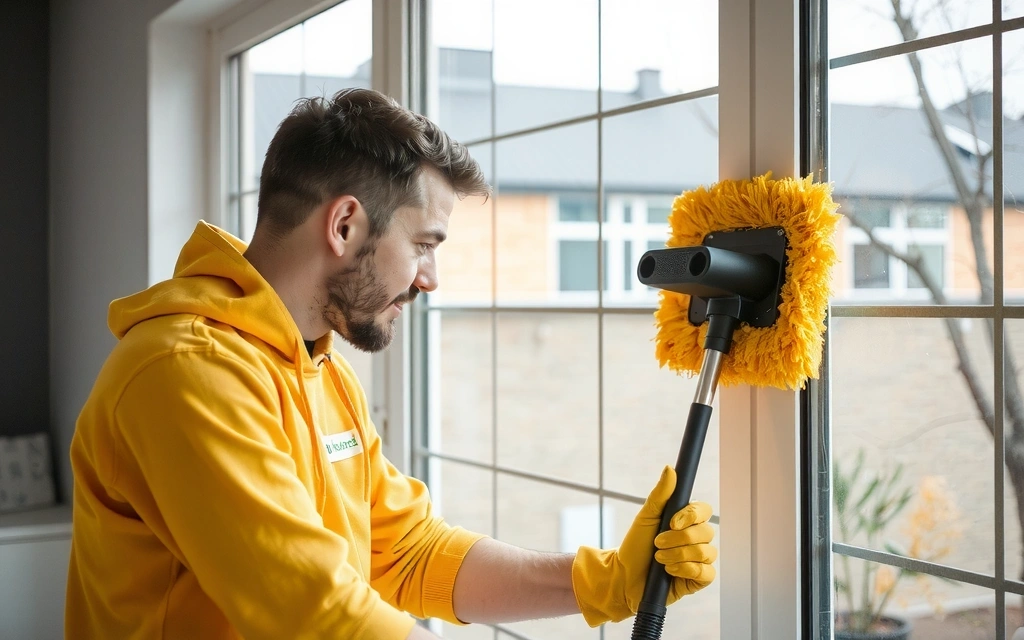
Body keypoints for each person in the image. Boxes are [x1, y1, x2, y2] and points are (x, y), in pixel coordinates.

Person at [65, 88, 717, 639]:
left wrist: (602, 582)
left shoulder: (319, 371)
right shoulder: (185, 373)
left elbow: (407, 552)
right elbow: (316, 614)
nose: (429, 279)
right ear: (345, 224)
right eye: (424, 244)